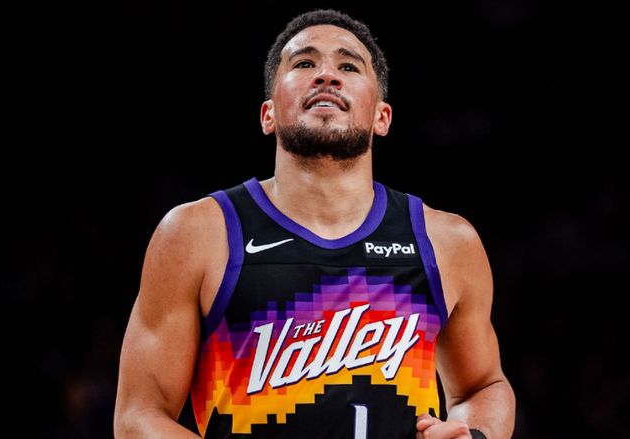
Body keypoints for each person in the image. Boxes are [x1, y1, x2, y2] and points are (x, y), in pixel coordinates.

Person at [114, 9, 515, 439]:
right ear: (268, 114)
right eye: (304, 63)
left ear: (382, 117)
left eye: (349, 66)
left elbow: (484, 386)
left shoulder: (446, 241)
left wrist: (473, 435)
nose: (327, 75)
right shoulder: (196, 233)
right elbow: (139, 417)